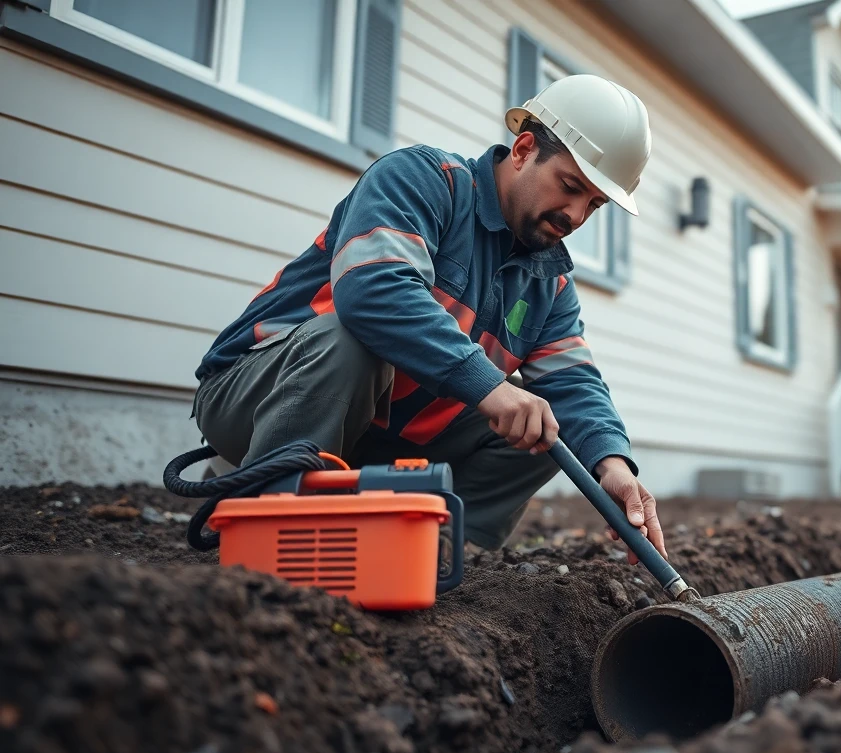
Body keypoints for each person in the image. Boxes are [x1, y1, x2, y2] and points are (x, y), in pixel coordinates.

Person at [189, 74, 665, 562]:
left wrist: (613, 462)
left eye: (595, 204)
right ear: (523, 150)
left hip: (378, 437)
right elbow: (374, 290)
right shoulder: (424, 180)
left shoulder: (551, 281)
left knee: (547, 424)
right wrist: (490, 386)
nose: (577, 215)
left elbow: (574, 383)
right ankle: (270, 515)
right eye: (570, 186)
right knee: (349, 340)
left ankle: (440, 548)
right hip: (254, 394)